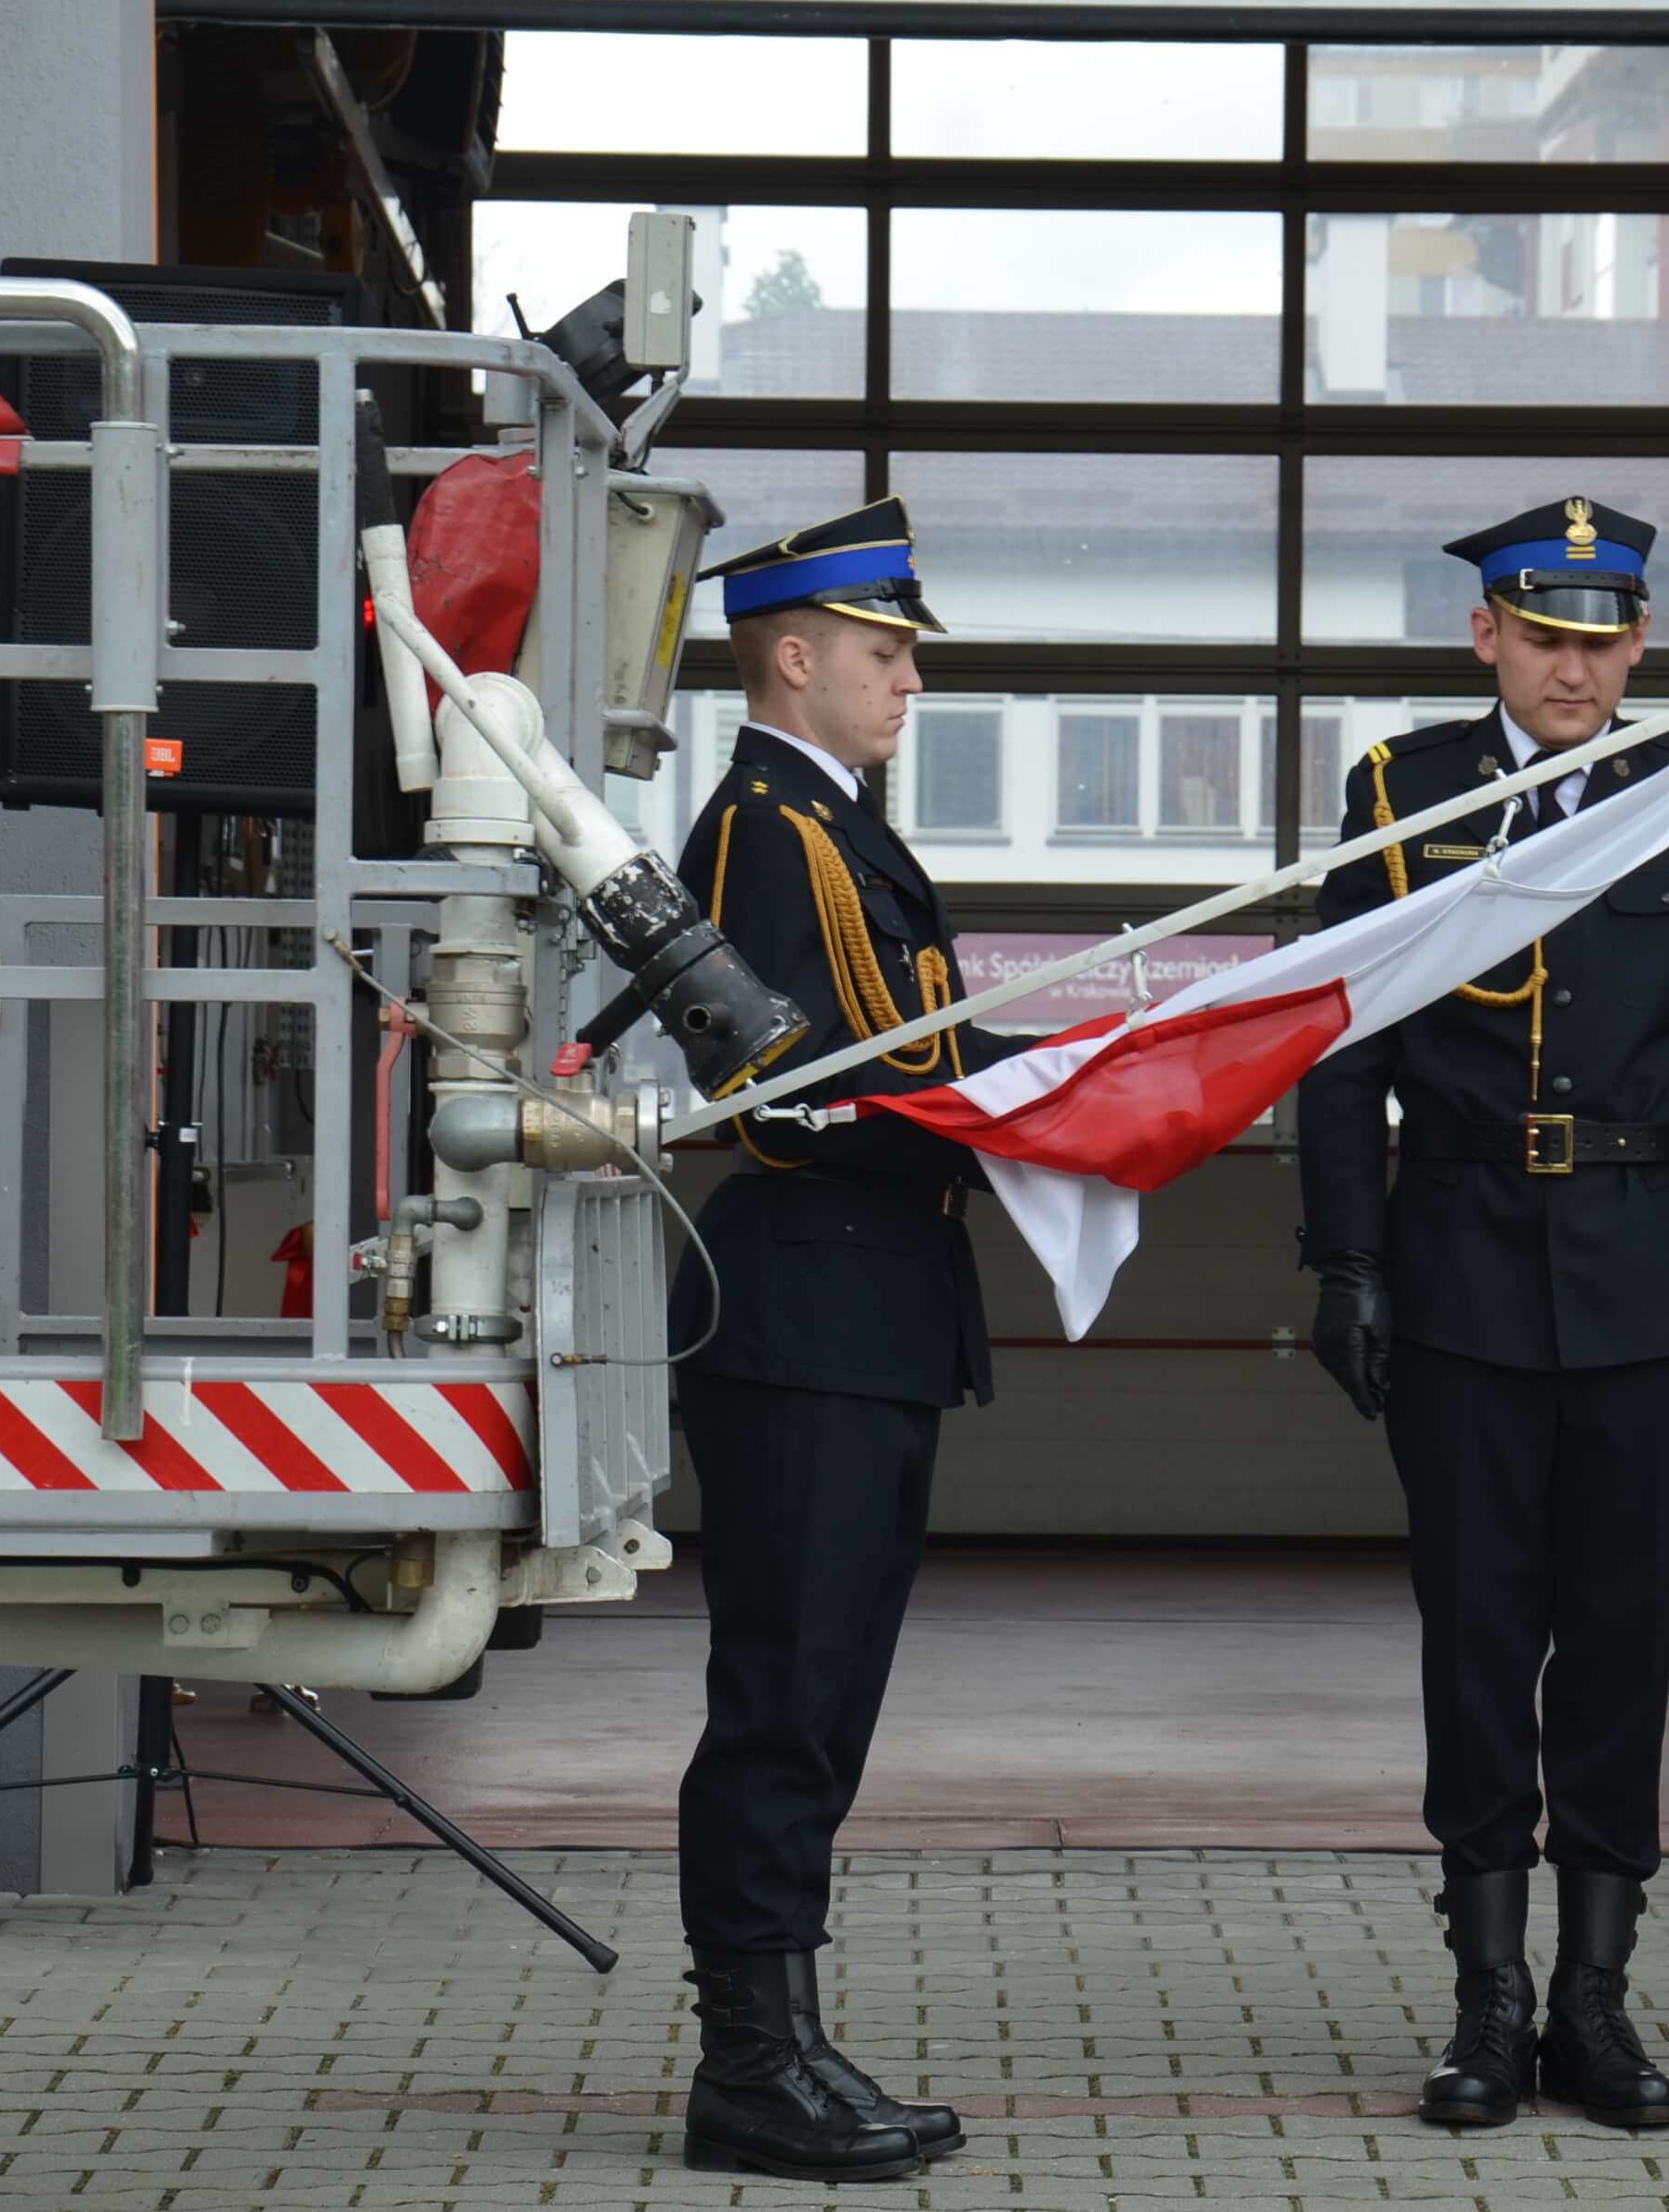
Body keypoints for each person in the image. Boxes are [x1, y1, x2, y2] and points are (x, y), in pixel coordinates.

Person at [1294, 497, 1669, 2131]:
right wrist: (1345, 1257)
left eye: (1605, 638)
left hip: (1648, 1270)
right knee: (1479, 1640)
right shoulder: (1408, 792)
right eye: (1546, 634)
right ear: (1486, 637)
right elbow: (1338, 1034)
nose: (1576, 666)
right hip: (1457, 1264)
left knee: (1625, 1648)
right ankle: (1488, 2003)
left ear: (1640, 645)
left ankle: (1596, 1999)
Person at [663, 499, 1018, 2182]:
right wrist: (1009, 1106)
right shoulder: (764, 827)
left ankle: (786, 2038)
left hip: (864, 1304)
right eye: (885, 656)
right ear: (792, 657)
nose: (907, 685)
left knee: (825, 1699)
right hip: (808, 1290)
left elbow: (904, 1035)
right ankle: (750, 2065)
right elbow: (789, 1084)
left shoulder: (842, 824)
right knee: (784, 1699)